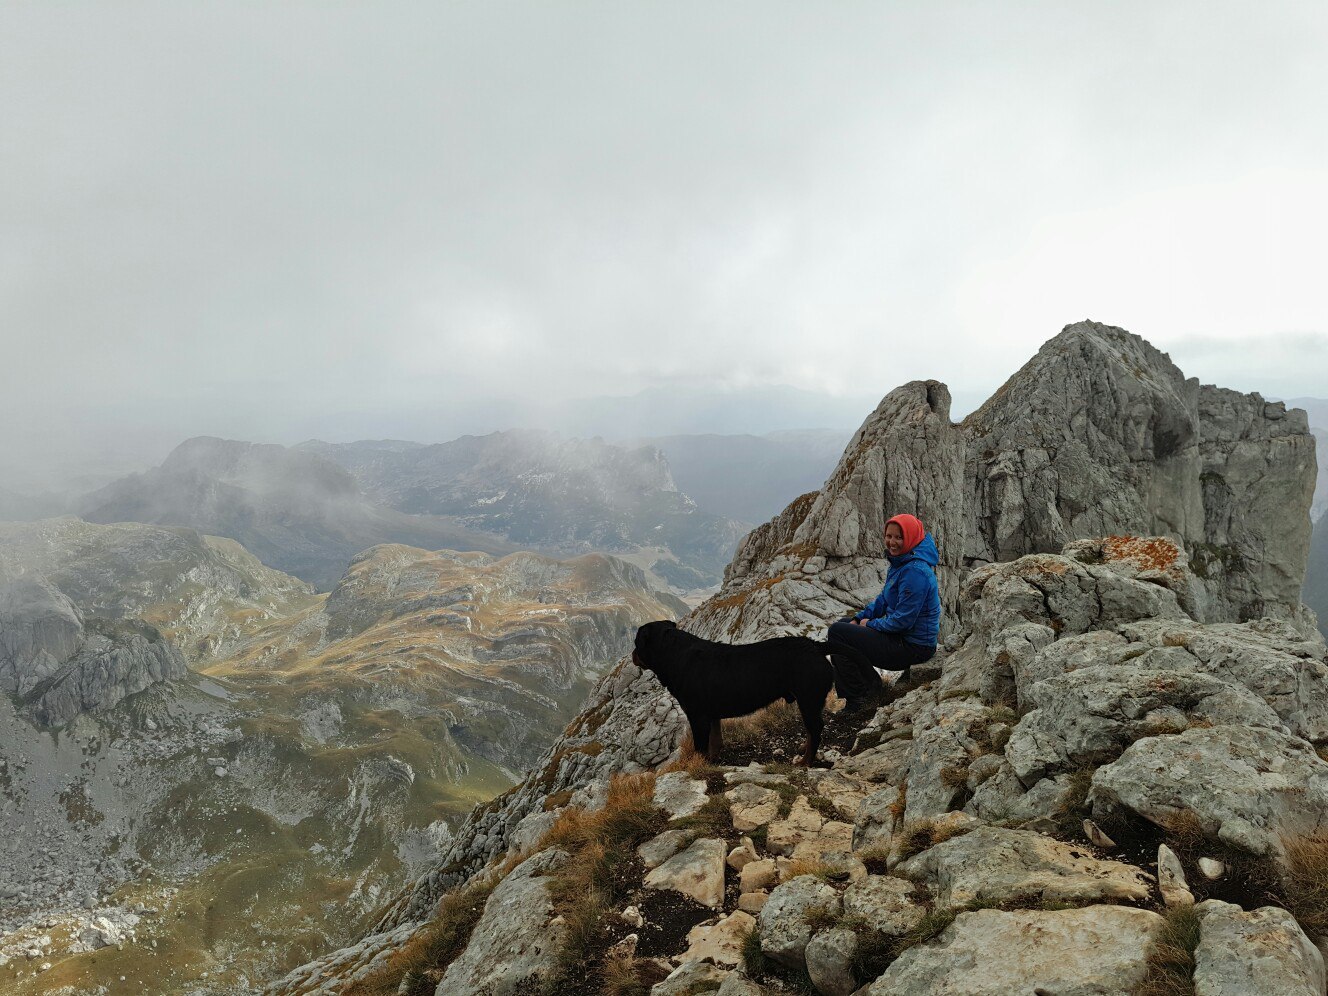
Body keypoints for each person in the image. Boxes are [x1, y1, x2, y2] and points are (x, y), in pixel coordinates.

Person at [826, 512, 940, 715]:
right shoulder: (902, 562)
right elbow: (884, 600)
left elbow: (903, 621)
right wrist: (859, 618)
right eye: (889, 536)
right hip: (903, 639)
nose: (892, 542)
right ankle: (870, 687)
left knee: (837, 633)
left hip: (914, 647)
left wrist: (869, 625)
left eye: (899, 537)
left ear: (911, 538)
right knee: (844, 625)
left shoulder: (916, 572)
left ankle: (859, 700)